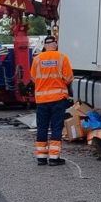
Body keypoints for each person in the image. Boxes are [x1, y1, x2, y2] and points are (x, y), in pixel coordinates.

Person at [30, 35, 73, 166]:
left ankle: (41, 157)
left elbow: (33, 78)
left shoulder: (37, 59)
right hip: (58, 99)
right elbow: (69, 78)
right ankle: (54, 158)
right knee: (56, 127)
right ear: (55, 44)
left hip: (41, 100)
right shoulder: (62, 57)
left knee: (42, 127)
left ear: (44, 45)